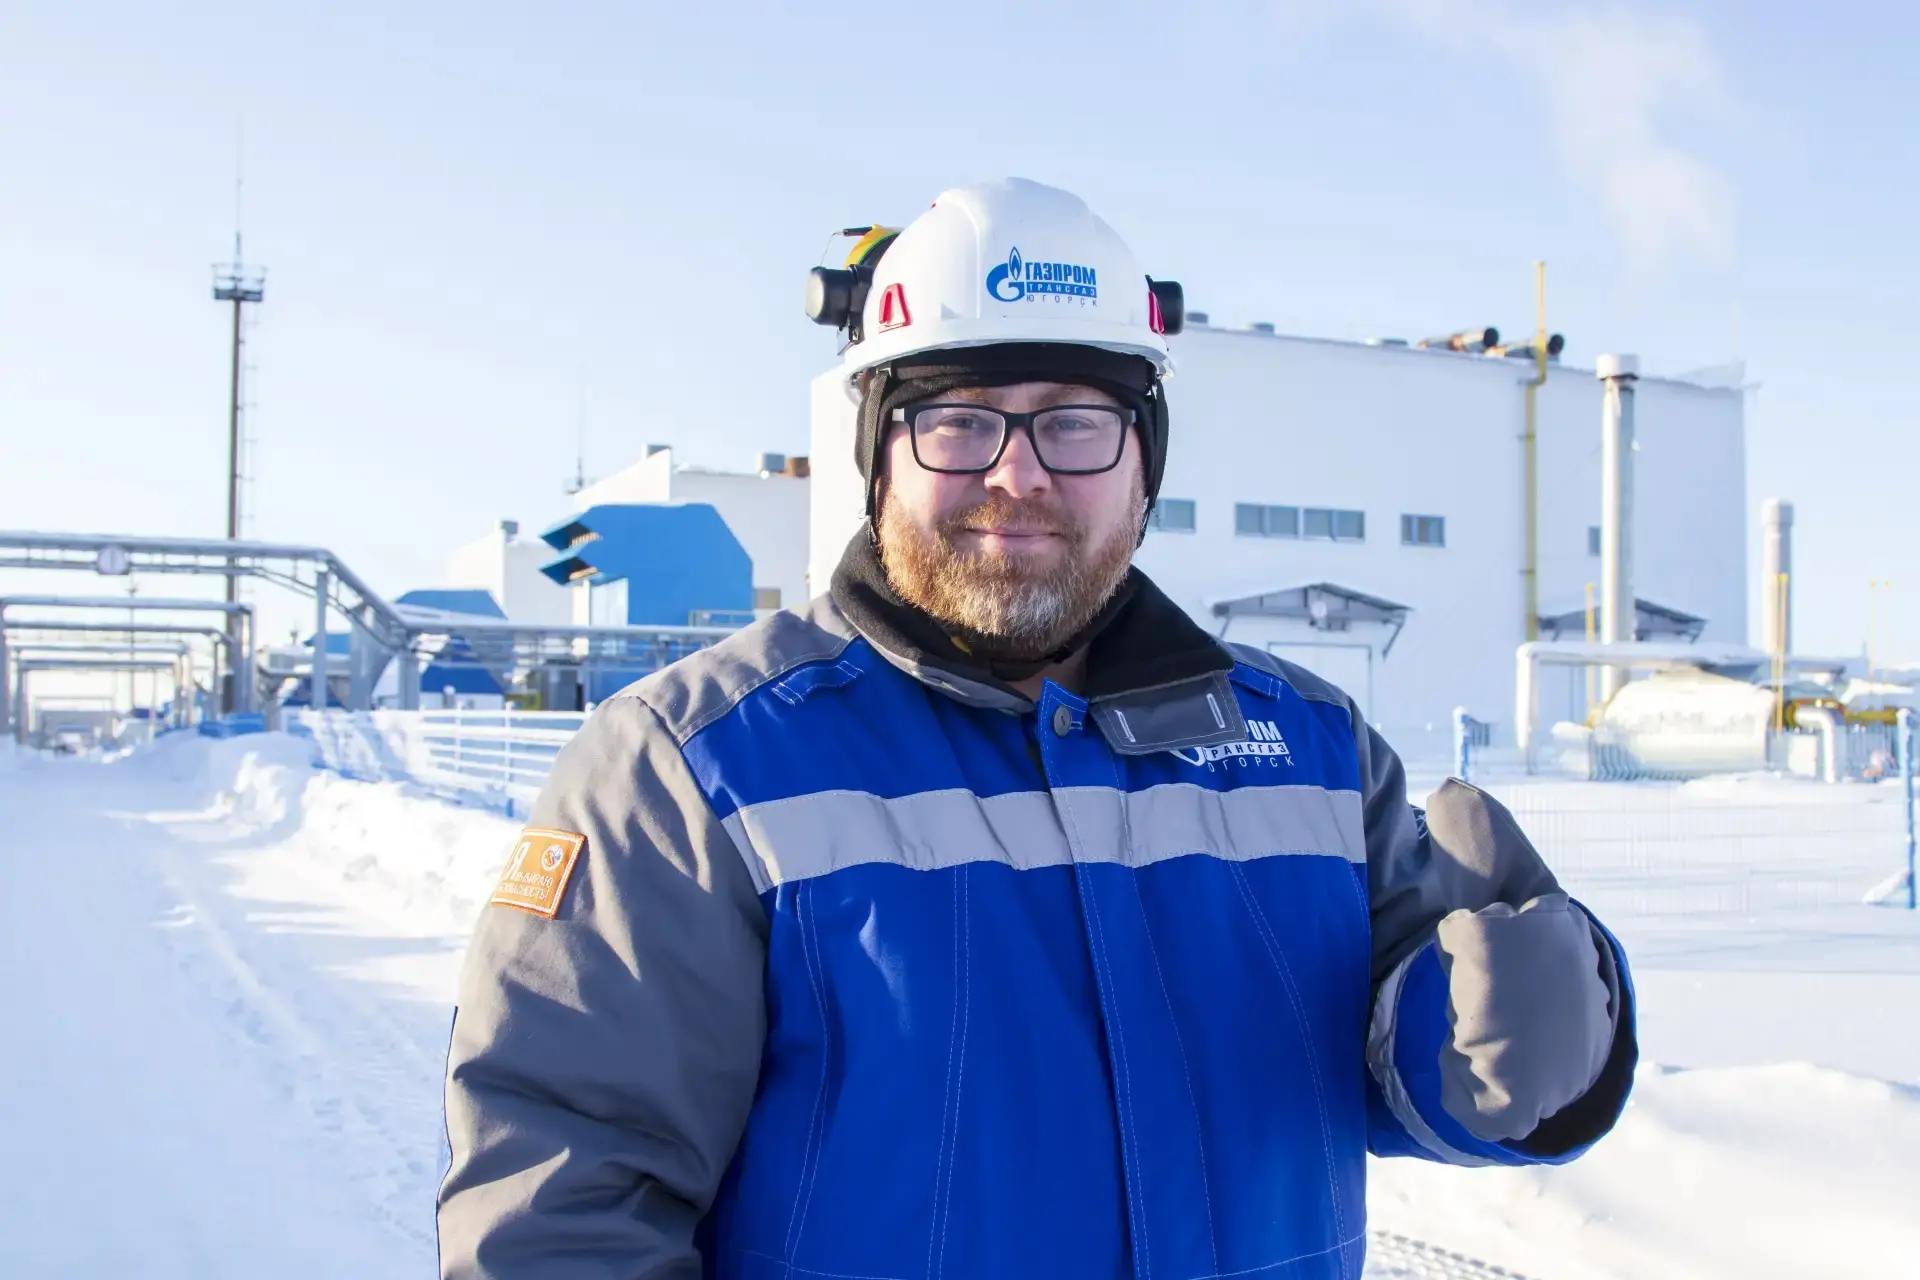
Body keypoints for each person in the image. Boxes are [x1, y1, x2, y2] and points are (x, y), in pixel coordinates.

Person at [437, 178, 1635, 1279]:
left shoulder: (1311, 750)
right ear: (879, 455)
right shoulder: (695, 766)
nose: (1018, 475)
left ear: (1143, 465)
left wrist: (1521, 1047)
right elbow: (562, 1207)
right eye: (959, 420)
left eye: (1074, 420)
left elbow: (1407, 1060)